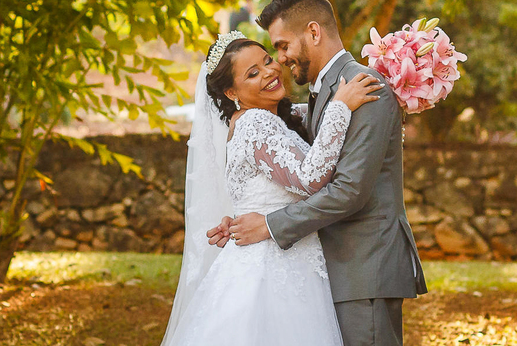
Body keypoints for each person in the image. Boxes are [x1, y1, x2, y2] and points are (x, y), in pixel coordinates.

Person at [213, 0, 428, 346]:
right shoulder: (319, 96)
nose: (279, 61)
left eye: (280, 48)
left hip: (364, 268)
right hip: (326, 270)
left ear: (313, 32)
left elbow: (348, 191)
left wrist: (268, 224)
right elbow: (289, 172)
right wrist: (245, 215)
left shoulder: (363, 87)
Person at [159, 33, 382, 346]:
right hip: (271, 267)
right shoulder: (255, 123)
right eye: (252, 73)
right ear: (231, 91)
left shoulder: (268, 119)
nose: (269, 71)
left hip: (278, 256)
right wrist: (340, 108)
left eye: (267, 61)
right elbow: (309, 178)